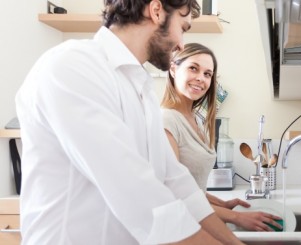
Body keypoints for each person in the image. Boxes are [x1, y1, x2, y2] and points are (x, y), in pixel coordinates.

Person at [15, 0, 244, 244]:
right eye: (183, 27)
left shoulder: (141, 90)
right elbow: (137, 194)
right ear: (156, 11)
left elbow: (178, 184)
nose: (181, 44)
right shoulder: (73, 66)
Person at [161, 43, 283, 231]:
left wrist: (221, 204)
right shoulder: (166, 120)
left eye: (207, 74)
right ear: (173, 70)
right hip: (180, 229)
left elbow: (192, 188)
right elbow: (172, 194)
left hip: (198, 222)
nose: (201, 78)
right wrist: (235, 217)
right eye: (193, 68)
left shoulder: (196, 119)